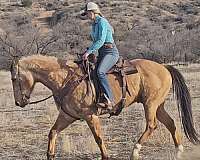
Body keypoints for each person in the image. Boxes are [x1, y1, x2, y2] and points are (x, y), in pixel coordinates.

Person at [81, 2, 119, 110]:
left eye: (87, 13)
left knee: (100, 72)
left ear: (93, 12)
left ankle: (110, 100)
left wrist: (89, 51)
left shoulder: (102, 22)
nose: (87, 16)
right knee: (90, 72)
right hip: (102, 53)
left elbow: (101, 40)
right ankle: (98, 97)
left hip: (110, 53)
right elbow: (96, 41)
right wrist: (89, 51)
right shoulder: (94, 24)